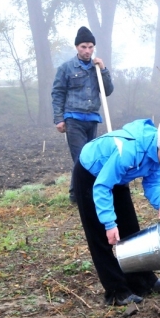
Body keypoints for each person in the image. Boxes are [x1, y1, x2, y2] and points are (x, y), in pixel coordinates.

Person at [73, 114, 160, 305]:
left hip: (118, 177)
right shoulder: (129, 150)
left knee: (130, 229)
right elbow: (102, 186)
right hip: (92, 175)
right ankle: (117, 292)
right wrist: (109, 223)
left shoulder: (158, 154)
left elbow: (153, 183)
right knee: (102, 237)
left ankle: (144, 282)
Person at [52, 26, 115, 204]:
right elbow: (57, 93)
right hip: (73, 119)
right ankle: (78, 195)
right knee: (81, 158)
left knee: (91, 158)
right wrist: (59, 119)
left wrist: (103, 69)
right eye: (83, 47)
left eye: (90, 47)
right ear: (77, 48)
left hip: (92, 119)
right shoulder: (66, 68)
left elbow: (108, 90)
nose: (87, 51)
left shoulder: (97, 68)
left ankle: (80, 191)